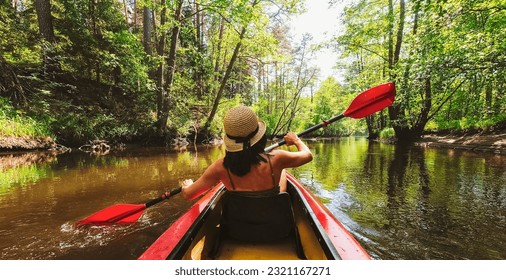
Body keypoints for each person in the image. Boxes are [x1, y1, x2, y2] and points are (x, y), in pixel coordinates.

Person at [181, 105, 313, 200]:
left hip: (238, 232)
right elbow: (307, 155)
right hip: (275, 229)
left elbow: (188, 194)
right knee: (282, 170)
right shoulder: (278, 158)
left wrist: (188, 185)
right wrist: (296, 140)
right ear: (260, 136)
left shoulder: (219, 167)